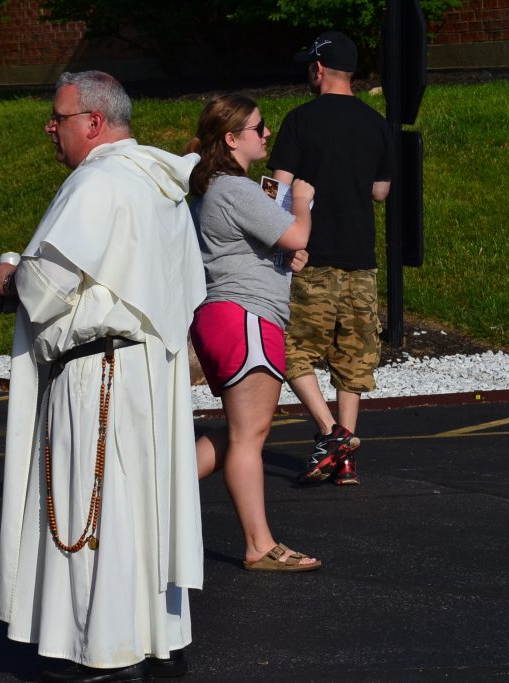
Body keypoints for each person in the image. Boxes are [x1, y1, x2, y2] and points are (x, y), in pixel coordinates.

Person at [0, 71, 206, 683]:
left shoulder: (97, 180)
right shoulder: (159, 185)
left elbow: (47, 285)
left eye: (59, 117)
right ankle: (158, 638)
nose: (50, 128)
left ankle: (103, 650)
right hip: (146, 369)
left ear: (95, 123)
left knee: (91, 509)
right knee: (139, 507)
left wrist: (8, 279)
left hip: (95, 372)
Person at [185, 94, 321, 572]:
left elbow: (273, 249)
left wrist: (286, 256)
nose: (266, 134)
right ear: (231, 138)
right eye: (259, 128)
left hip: (231, 315)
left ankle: (155, 493)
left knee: (239, 433)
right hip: (246, 317)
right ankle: (259, 544)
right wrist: (302, 203)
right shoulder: (235, 188)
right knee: (251, 435)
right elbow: (298, 234)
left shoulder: (216, 190)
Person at [267, 31, 394, 486]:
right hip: (361, 258)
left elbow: (275, 190)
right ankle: (345, 460)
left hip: (309, 257)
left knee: (291, 350)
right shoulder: (377, 122)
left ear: (319, 70)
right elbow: (382, 191)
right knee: (353, 358)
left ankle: (330, 432)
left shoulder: (300, 120)